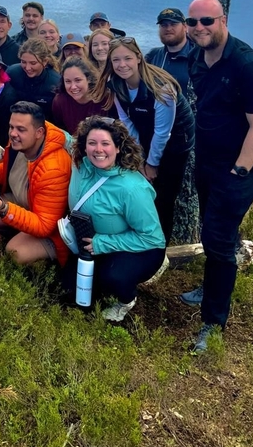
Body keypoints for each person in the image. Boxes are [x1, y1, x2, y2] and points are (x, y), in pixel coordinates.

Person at [182, 0, 253, 353]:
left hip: (238, 166)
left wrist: (239, 171)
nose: (199, 28)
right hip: (207, 160)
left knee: (219, 239)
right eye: (193, 22)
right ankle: (211, 285)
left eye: (207, 21)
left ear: (223, 19)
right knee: (212, 227)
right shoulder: (198, 58)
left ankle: (213, 322)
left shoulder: (247, 65)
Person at [92, 36, 195, 245]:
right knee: (139, 186)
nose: (122, 65)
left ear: (139, 57)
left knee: (164, 195)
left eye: (127, 58)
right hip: (146, 133)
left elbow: (163, 132)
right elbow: (127, 123)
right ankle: (138, 235)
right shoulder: (117, 84)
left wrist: (152, 165)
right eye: (116, 60)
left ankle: (160, 244)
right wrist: (139, 160)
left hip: (176, 141)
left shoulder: (161, 87)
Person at [66, 116, 166, 321]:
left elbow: (152, 238)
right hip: (93, 241)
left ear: (119, 148)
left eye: (105, 144)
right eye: (92, 143)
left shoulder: (132, 188)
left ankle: (126, 300)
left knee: (114, 277)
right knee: (68, 287)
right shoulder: (81, 165)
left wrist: (103, 243)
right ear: (84, 147)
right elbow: (58, 136)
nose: (98, 149)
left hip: (140, 248)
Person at [0, 102, 71, 266]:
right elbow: (12, 171)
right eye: (11, 127)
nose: (13, 133)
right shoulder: (23, 142)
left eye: (21, 129)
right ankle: (14, 233)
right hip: (29, 204)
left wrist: (5, 210)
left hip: (51, 231)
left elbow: (45, 226)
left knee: (16, 252)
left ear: (39, 132)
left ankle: (46, 268)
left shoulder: (53, 168)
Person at [52, 56, 115, 135]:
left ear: (88, 79)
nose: (73, 86)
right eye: (68, 81)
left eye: (78, 80)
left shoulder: (105, 98)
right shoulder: (60, 101)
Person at [6, 38, 60, 121]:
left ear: (45, 61)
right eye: (23, 62)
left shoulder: (55, 83)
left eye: (33, 63)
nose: (27, 68)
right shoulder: (12, 73)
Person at [145, 8, 195, 97]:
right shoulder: (152, 56)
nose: (168, 28)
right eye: (164, 25)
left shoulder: (199, 56)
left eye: (173, 24)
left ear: (185, 27)